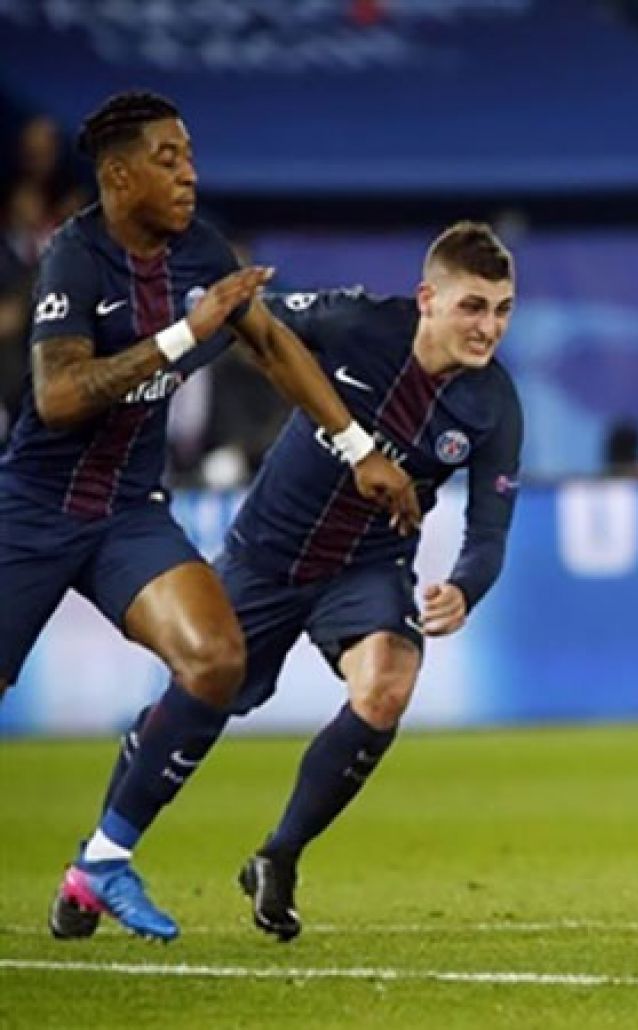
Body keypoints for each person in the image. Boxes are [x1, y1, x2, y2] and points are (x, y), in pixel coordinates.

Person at [3, 91, 417, 942]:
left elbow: (270, 345)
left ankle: (101, 864)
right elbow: (57, 397)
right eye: (168, 159)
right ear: (120, 177)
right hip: (33, 511)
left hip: (126, 513)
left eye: (190, 155)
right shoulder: (75, 259)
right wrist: (181, 337)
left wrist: (358, 448)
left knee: (216, 661)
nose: (189, 173)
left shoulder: (200, 250)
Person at [52, 222, 523, 943]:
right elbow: (248, 323)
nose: (488, 327)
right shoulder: (357, 321)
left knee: (386, 688)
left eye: (502, 309)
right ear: (428, 299)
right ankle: (99, 862)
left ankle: (278, 855)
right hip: (265, 557)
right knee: (193, 705)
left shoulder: (496, 406)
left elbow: (489, 530)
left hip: (368, 566)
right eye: (473, 306)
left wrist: (465, 586)